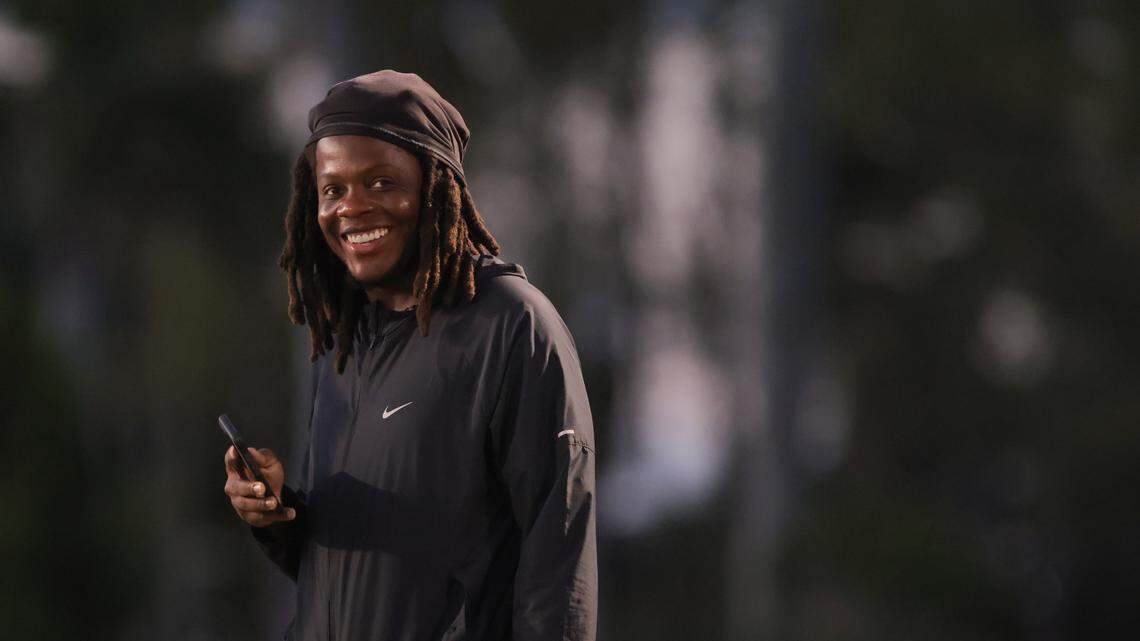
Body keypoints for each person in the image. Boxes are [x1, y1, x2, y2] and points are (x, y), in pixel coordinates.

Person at [222, 70, 597, 641]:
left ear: (435, 186)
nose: (353, 208)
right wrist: (279, 518)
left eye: (381, 183)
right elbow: (369, 575)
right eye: (333, 188)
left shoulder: (509, 325)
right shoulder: (343, 343)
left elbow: (558, 565)